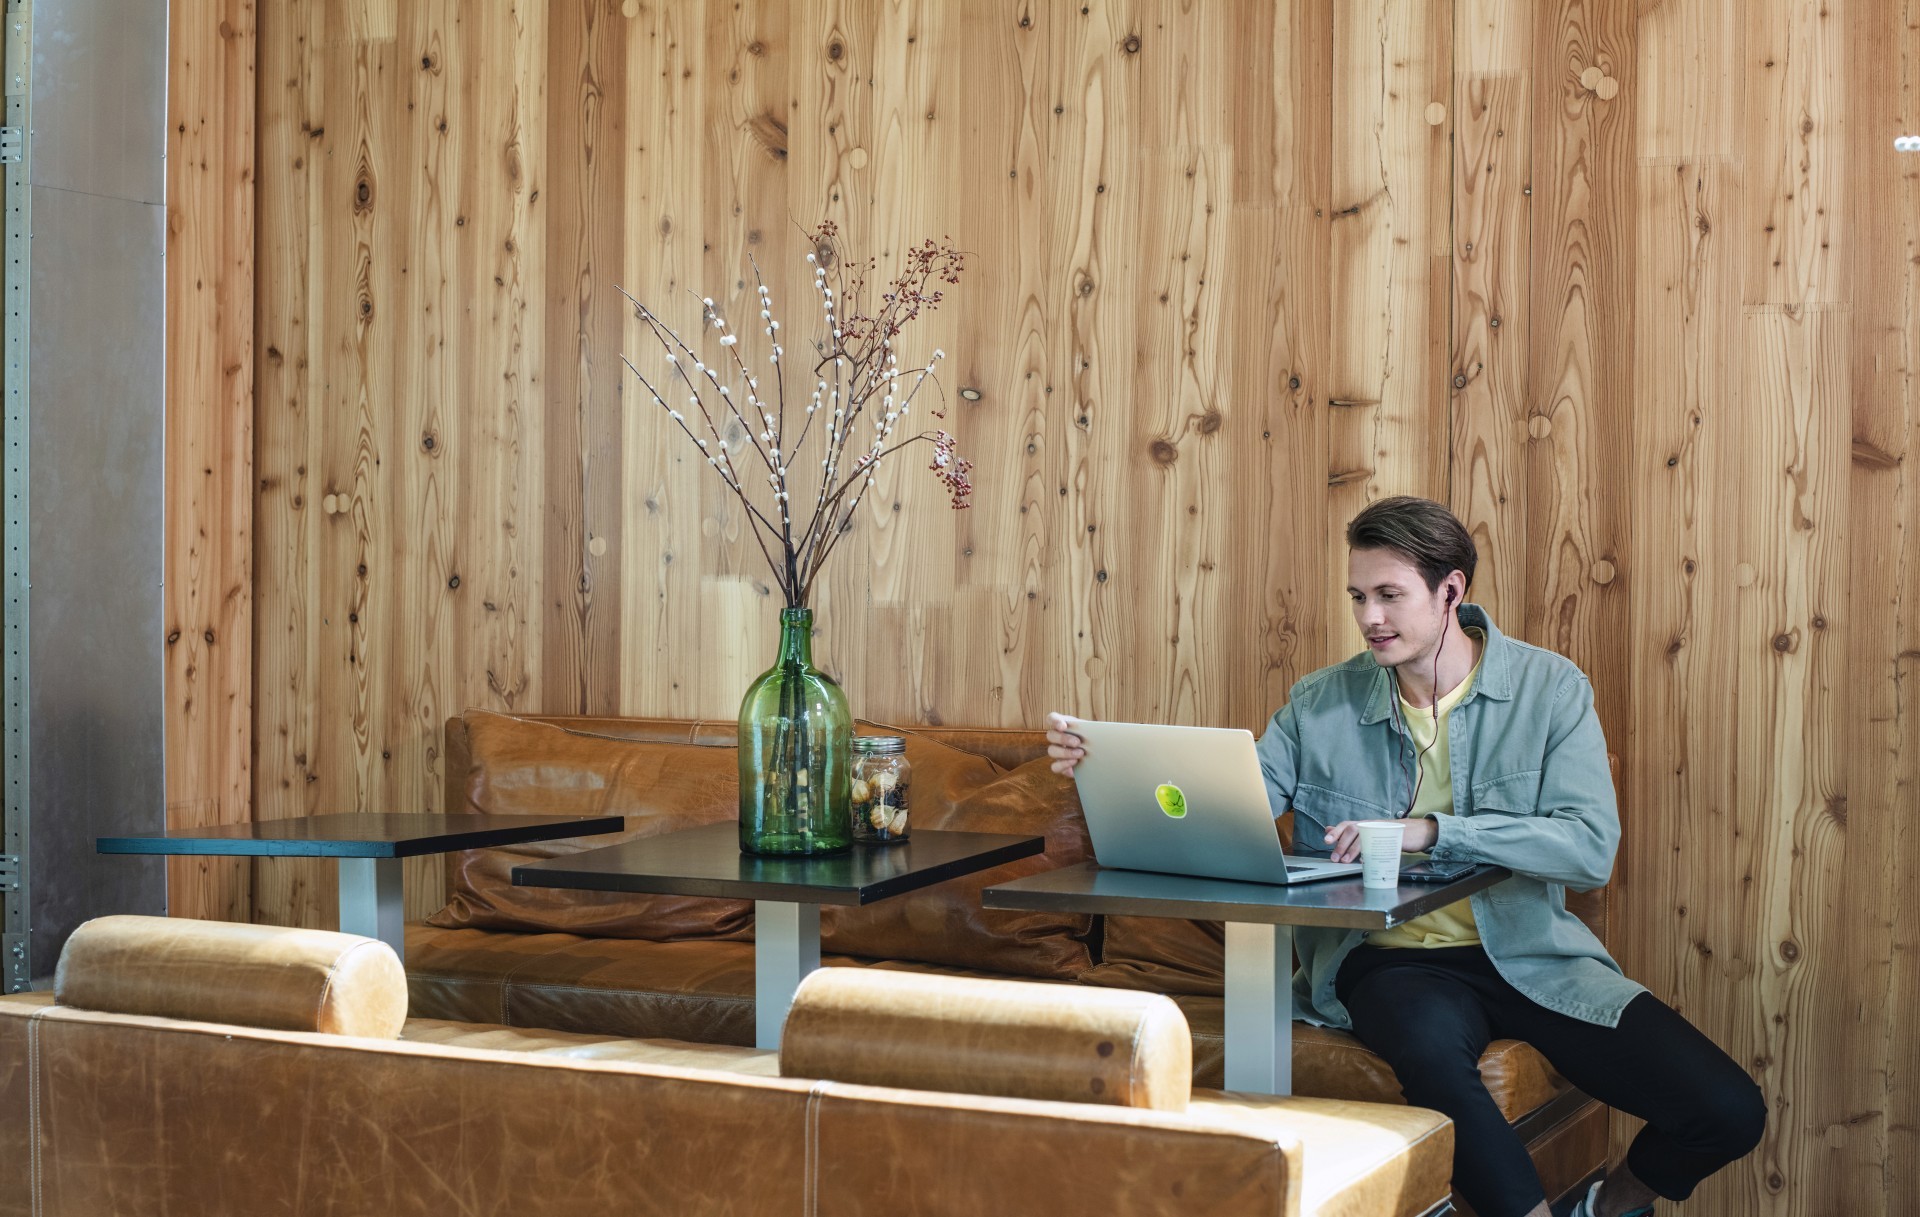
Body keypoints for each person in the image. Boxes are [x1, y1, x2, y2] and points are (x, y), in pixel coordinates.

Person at [1045, 496, 1764, 1217]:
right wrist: (1110, 768)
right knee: (1429, 1055)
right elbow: (1230, 803)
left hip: (1530, 954)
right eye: (1358, 596)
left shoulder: (1549, 689)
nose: (1370, 617)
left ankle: (1606, 1206)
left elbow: (1588, 848)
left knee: (1729, 1109)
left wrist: (1435, 830)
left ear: (1451, 590)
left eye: (1389, 595)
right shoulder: (1319, 701)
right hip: (1386, 958)